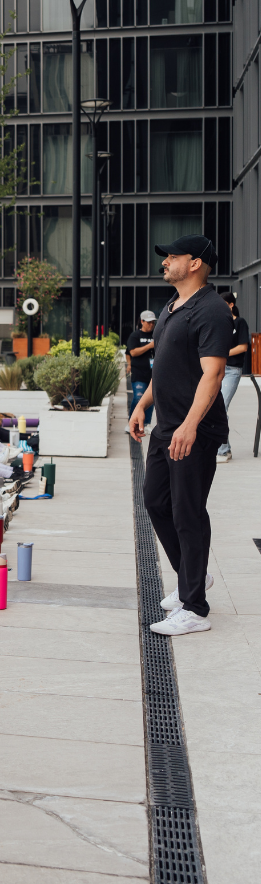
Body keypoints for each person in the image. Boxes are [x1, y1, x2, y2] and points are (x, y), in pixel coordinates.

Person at [129, 235, 230, 637]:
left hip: (196, 429)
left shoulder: (212, 310)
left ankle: (195, 607)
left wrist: (190, 424)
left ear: (195, 263)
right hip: (165, 426)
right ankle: (193, 575)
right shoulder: (172, 308)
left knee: (188, 512)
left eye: (173, 256)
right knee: (155, 501)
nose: (166, 261)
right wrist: (142, 405)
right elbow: (163, 368)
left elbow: (214, 373)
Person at [216, 291, 250, 463]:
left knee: (221, 407)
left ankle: (223, 450)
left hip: (232, 370)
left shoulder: (240, 322)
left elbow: (243, 347)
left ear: (230, 304)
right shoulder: (220, 323)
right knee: (215, 408)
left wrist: (223, 353)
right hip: (217, 369)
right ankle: (224, 448)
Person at [126, 311, 157, 429]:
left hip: (152, 373)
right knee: (138, 397)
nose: (151, 325)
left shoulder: (156, 334)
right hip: (139, 372)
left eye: (153, 322)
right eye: (149, 322)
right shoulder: (135, 336)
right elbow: (132, 352)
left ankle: (146, 423)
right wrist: (149, 346)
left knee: (150, 399)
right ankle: (132, 422)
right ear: (142, 321)